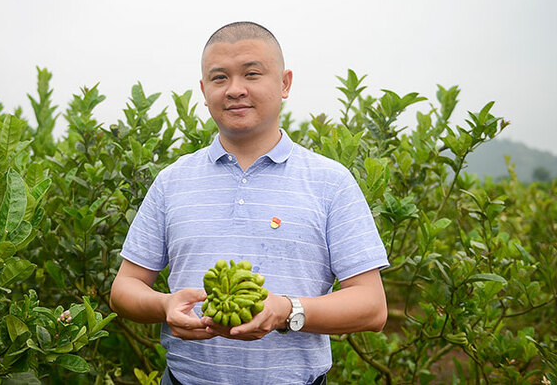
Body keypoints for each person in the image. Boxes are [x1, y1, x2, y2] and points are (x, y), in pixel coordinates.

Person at [110, 22, 388, 385]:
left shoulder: (330, 182)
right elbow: (124, 289)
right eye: (219, 78)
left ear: (285, 83)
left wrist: (285, 311)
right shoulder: (172, 181)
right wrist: (164, 306)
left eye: (252, 74)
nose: (235, 90)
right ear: (203, 89)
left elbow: (372, 307)